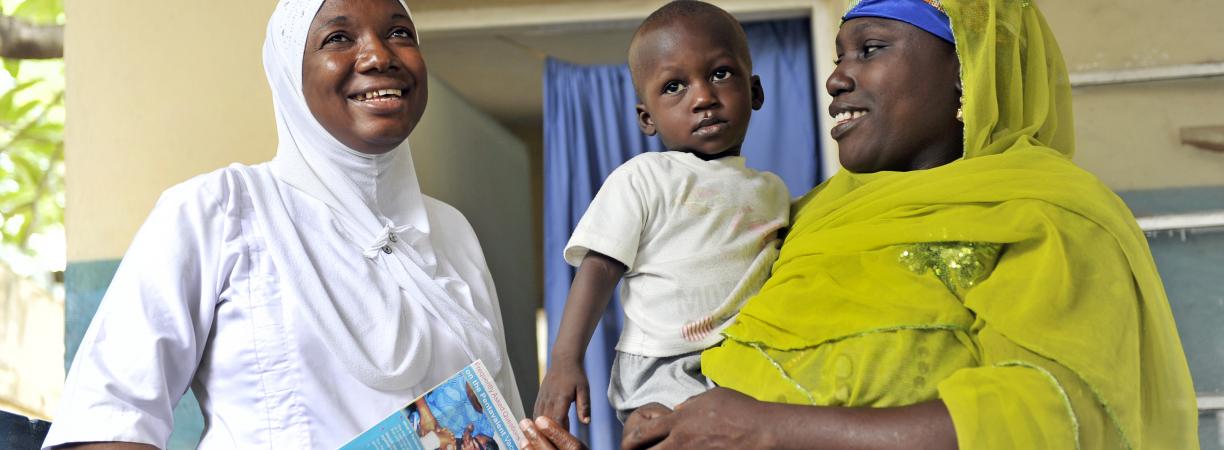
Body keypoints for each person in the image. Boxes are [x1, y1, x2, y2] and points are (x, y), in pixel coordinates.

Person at [526, 0, 1200, 448]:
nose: (836, 79)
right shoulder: (808, 218)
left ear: (968, 72)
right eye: (839, 56)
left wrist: (766, 427)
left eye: (870, 49)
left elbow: (1050, 414)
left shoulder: (1047, 218)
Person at [42, 0, 523, 448]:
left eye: (399, 32)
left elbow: (496, 418)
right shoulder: (221, 210)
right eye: (338, 38)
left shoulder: (453, 233)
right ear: (290, 71)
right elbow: (106, 418)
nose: (379, 55)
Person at [533, 0, 790, 428]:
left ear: (755, 91)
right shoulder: (644, 178)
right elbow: (598, 268)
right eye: (674, 87)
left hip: (745, 359)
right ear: (646, 118)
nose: (704, 97)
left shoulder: (774, 192)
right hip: (661, 366)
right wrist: (564, 360)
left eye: (720, 74)